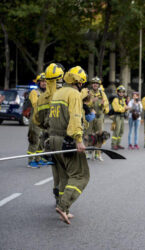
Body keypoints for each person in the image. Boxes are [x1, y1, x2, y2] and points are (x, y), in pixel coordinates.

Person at [48, 66, 89, 224]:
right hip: (68, 141)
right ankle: (63, 206)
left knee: (64, 175)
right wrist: (78, 139)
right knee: (80, 175)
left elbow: (49, 120)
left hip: (53, 140)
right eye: (82, 83)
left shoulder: (57, 93)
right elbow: (75, 117)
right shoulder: (74, 94)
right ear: (78, 82)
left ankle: (63, 209)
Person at [33, 63, 64, 204]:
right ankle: (62, 201)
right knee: (65, 171)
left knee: (55, 169)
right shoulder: (65, 94)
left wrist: (46, 128)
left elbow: (37, 120)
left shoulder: (42, 97)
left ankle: (57, 196)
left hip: (48, 139)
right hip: (64, 138)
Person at [27, 73, 48, 168]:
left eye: (46, 81)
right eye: (42, 81)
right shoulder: (34, 92)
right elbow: (36, 104)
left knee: (42, 139)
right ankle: (30, 161)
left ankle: (38, 159)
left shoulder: (47, 93)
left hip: (44, 119)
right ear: (38, 83)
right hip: (36, 119)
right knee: (34, 139)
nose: (44, 83)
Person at [87, 77, 110, 160]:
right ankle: (89, 152)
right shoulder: (88, 93)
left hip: (99, 117)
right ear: (92, 84)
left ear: (99, 85)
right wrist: (92, 101)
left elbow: (106, 106)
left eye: (96, 83)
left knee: (100, 136)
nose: (95, 84)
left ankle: (98, 153)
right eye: (93, 83)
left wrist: (102, 105)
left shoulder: (102, 94)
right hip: (90, 116)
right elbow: (85, 103)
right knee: (89, 134)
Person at [111, 85, 129, 150]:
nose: (121, 93)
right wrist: (125, 108)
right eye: (120, 92)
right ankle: (113, 144)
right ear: (117, 92)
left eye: (123, 92)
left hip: (122, 117)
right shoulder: (115, 100)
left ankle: (118, 144)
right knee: (116, 130)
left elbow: (124, 108)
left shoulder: (123, 100)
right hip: (117, 117)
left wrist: (126, 109)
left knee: (121, 131)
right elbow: (116, 109)